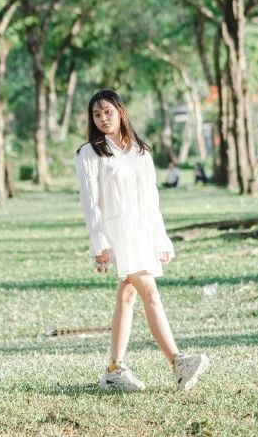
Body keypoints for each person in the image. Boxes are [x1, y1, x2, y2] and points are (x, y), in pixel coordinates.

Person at [74, 89, 210, 392]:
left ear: (120, 111)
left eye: (107, 111)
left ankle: (113, 369)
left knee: (128, 295)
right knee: (150, 292)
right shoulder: (90, 153)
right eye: (96, 114)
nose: (102, 118)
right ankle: (177, 362)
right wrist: (100, 243)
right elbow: (90, 202)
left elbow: (151, 201)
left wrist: (160, 238)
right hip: (116, 234)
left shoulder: (140, 151)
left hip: (141, 233)